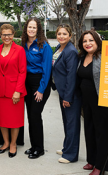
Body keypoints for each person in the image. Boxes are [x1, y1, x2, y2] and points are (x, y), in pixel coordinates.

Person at [0, 24, 27, 158]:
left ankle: (13, 144)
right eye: (4, 34)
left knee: (14, 120)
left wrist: (18, 91)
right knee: (3, 120)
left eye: (9, 34)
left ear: (13, 35)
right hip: (0, 90)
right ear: (0, 35)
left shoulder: (19, 50)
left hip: (14, 91)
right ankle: (6, 143)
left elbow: (22, 72)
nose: (6, 37)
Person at [21, 17, 53, 159]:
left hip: (40, 82)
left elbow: (47, 70)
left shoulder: (44, 46)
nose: (31, 30)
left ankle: (39, 148)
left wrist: (40, 89)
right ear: (26, 28)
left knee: (35, 115)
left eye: (34, 27)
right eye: (29, 27)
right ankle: (33, 146)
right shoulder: (23, 44)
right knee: (30, 115)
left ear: (38, 29)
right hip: (27, 82)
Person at [77, 30, 108, 175]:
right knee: (89, 129)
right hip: (86, 101)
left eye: (91, 40)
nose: (87, 43)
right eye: (84, 41)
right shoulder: (82, 57)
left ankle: (100, 166)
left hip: (101, 102)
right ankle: (92, 160)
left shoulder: (104, 57)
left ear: (97, 41)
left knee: (101, 133)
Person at [51, 24, 81, 164]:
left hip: (70, 94)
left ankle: (71, 155)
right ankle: (66, 148)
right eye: (59, 34)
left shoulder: (71, 51)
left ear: (70, 36)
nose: (61, 36)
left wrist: (68, 97)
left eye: (64, 34)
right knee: (67, 123)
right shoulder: (59, 48)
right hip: (63, 91)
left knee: (72, 124)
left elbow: (71, 76)